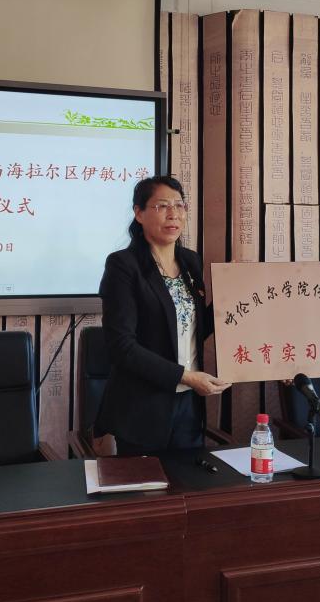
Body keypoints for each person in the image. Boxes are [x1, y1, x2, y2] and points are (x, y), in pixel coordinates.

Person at [96, 175, 230, 455]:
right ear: (139, 213)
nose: (173, 214)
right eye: (162, 206)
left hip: (189, 407)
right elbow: (122, 347)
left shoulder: (191, 261)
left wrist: (234, 299)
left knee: (188, 481)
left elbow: (193, 328)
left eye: (179, 205)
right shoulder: (123, 265)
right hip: (142, 409)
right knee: (147, 483)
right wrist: (186, 377)